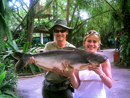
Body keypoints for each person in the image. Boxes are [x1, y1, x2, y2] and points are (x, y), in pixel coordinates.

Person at [53, 30, 113, 98]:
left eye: (94, 41)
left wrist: (100, 73)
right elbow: (76, 86)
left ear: (98, 44)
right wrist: (71, 74)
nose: (91, 44)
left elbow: (110, 85)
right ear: (84, 43)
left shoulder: (103, 60)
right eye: (89, 41)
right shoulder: (77, 57)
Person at [28, 19, 75, 98]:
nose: (59, 33)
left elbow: (72, 73)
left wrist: (61, 72)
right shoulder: (49, 46)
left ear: (67, 32)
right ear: (53, 32)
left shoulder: (72, 49)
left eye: (62, 30)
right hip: (48, 88)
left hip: (65, 88)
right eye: (57, 31)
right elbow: (46, 69)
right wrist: (35, 61)